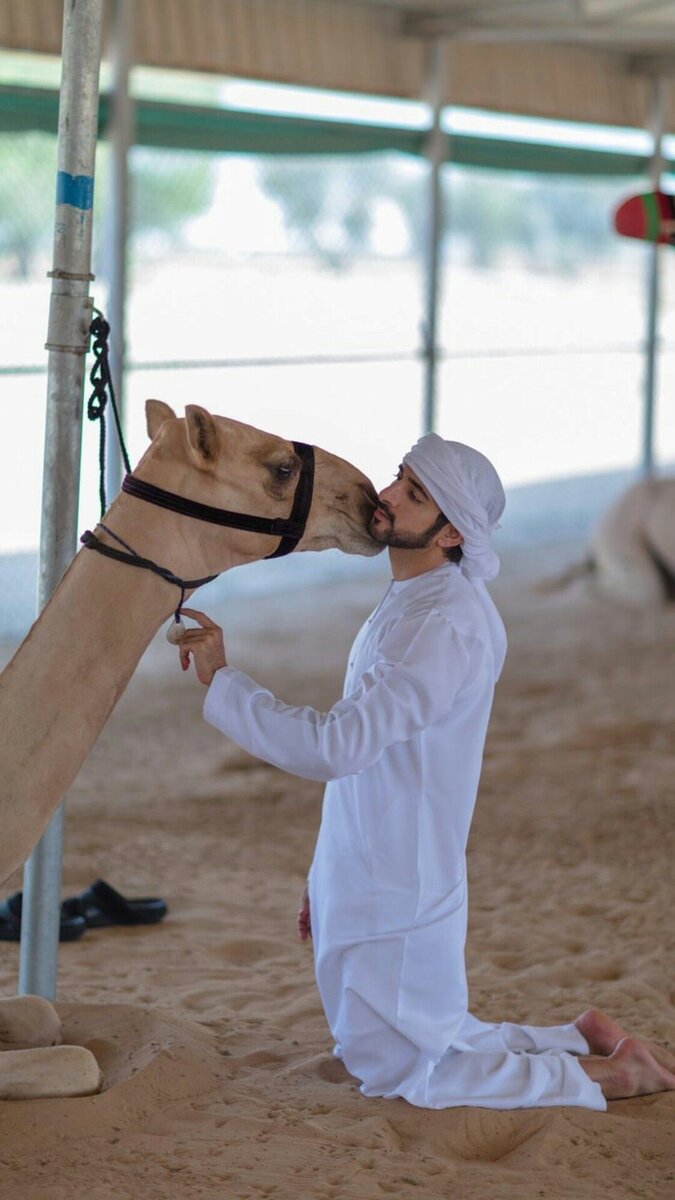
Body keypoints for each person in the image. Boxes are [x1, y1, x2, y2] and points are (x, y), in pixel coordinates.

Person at [178, 434, 675, 1110]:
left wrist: (223, 680)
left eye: (413, 494)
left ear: (452, 533)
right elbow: (370, 755)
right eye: (398, 479)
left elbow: (337, 746)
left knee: (407, 1072)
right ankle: (575, 1039)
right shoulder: (416, 600)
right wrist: (326, 876)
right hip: (373, 866)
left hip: (399, 882)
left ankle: (619, 1075)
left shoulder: (441, 624)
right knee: (418, 1042)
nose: (385, 497)